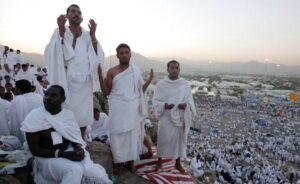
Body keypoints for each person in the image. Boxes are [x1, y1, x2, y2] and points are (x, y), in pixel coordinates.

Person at [21, 85, 112, 184]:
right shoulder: (34, 117)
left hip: (68, 152)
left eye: (53, 95)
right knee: (74, 170)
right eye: (46, 94)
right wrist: (63, 154)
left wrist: (78, 148)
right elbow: (34, 150)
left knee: (98, 176)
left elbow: (74, 138)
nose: (48, 98)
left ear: (63, 99)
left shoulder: (68, 115)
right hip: (46, 159)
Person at [45, 4, 105, 138]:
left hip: (84, 81)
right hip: (66, 78)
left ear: (82, 17)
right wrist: (61, 32)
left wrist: (93, 35)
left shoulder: (86, 34)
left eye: (79, 12)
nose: (76, 14)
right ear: (67, 16)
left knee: (83, 114)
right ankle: (65, 141)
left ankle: (80, 141)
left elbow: (97, 54)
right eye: (73, 11)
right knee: (66, 111)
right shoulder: (59, 30)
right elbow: (51, 52)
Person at [98, 43, 153, 172]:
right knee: (117, 135)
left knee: (132, 136)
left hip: (132, 109)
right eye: (121, 53)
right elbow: (106, 92)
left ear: (130, 54)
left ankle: (130, 163)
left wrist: (149, 80)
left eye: (126, 52)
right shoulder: (112, 71)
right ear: (117, 55)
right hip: (118, 108)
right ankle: (118, 161)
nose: (124, 55)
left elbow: (140, 91)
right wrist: (100, 77)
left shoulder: (135, 71)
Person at [153, 60, 196, 173]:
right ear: (168, 70)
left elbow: (190, 101)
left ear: (179, 70)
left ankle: (177, 163)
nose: (174, 70)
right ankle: (159, 161)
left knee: (178, 141)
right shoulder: (161, 85)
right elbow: (155, 101)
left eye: (176, 68)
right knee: (162, 139)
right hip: (166, 116)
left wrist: (185, 105)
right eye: (172, 68)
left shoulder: (184, 84)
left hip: (179, 117)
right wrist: (164, 105)